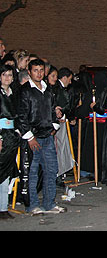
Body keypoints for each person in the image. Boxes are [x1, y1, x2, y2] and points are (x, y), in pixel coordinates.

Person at [16, 58, 65, 215]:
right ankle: (33, 205)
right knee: (32, 172)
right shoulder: (25, 91)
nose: (39, 73)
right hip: (32, 138)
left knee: (51, 170)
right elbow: (21, 117)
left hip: (47, 136)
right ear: (29, 72)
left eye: (41, 70)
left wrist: (54, 127)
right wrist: (30, 137)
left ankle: (49, 203)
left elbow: (53, 111)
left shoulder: (48, 91)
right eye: (35, 70)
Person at [0, 64, 19, 219]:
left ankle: (3, 207)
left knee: (6, 172)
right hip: (2, 135)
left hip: (11, 136)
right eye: (4, 74)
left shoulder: (12, 94)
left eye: (10, 75)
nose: (7, 78)